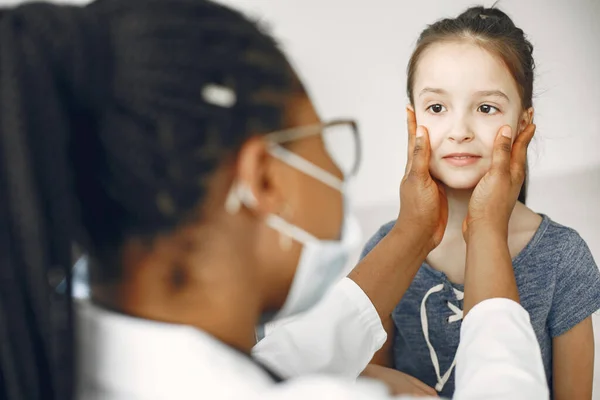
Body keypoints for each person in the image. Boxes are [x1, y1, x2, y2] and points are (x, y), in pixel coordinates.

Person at [0, 1, 547, 399]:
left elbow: (280, 360)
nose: (333, 167)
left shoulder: (54, 361)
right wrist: (489, 235)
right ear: (263, 179)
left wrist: (414, 233)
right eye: (325, 138)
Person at [360, 6, 600, 400]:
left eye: (486, 108)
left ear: (523, 123)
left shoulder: (562, 257)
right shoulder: (385, 253)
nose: (459, 131)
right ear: (412, 120)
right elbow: (364, 375)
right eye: (437, 108)